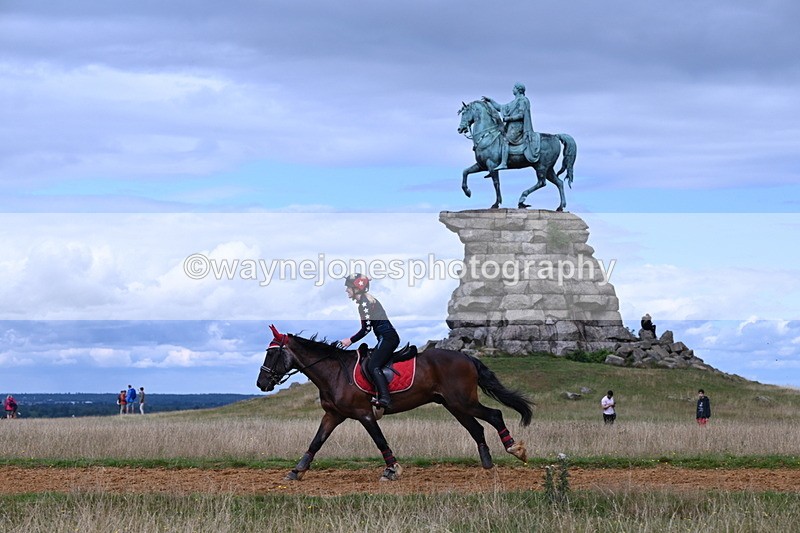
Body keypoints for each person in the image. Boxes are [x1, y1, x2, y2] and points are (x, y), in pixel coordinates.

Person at [339, 273, 399, 410]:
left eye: (348, 287)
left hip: (387, 338)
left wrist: (350, 340)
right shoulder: (365, 302)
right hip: (386, 337)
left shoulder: (364, 304)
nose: (346, 290)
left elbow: (366, 329)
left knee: (373, 366)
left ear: (356, 288)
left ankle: (385, 399)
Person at [482, 82, 537, 171]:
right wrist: (490, 101)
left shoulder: (523, 100)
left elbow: (521, 115)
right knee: (497, 138)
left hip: (517, 127)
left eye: (514, 88)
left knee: (505, 140)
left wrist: (508, 119)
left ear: (518, 89)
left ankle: (504, 163)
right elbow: (500, 107)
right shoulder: (514, 102)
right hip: (510, 126)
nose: (512, 90)